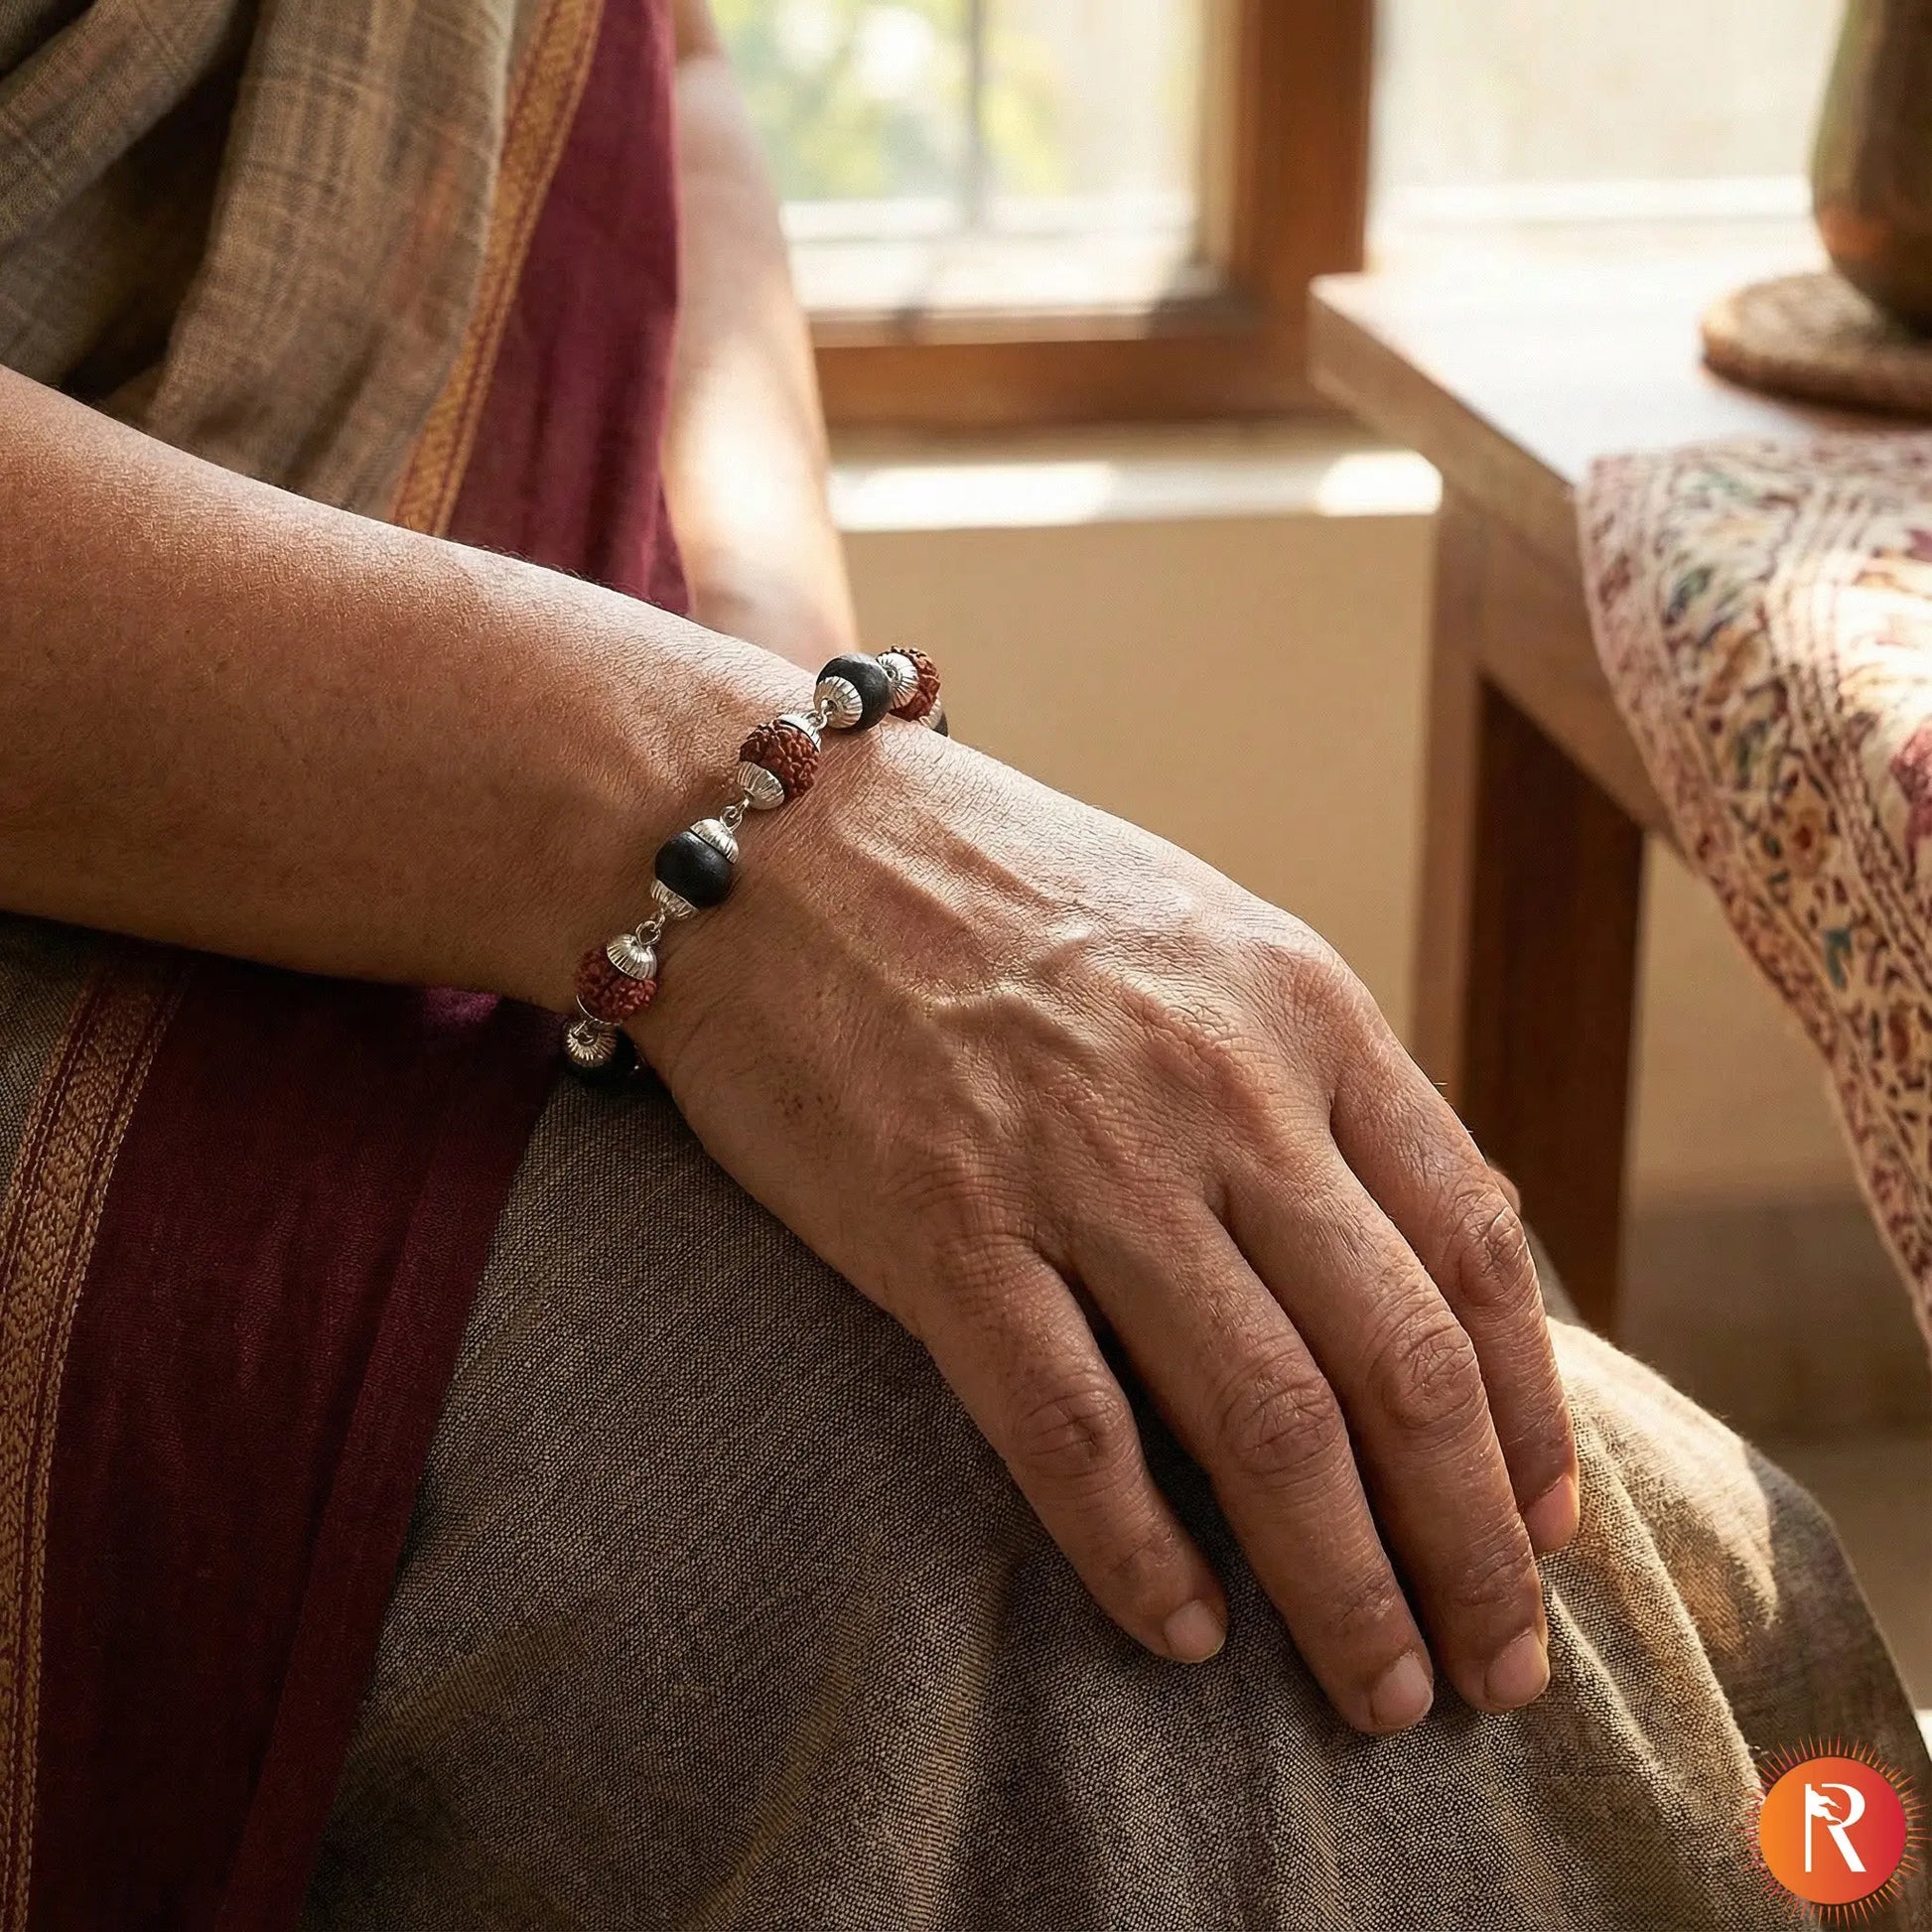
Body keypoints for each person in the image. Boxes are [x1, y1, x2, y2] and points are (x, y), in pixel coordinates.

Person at [0, 2, 1921, 1926]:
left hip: (554, 745)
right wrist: (711, 808)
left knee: (1647, 1538)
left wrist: (790, 726)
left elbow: (659, 71)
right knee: (1146, 1622)